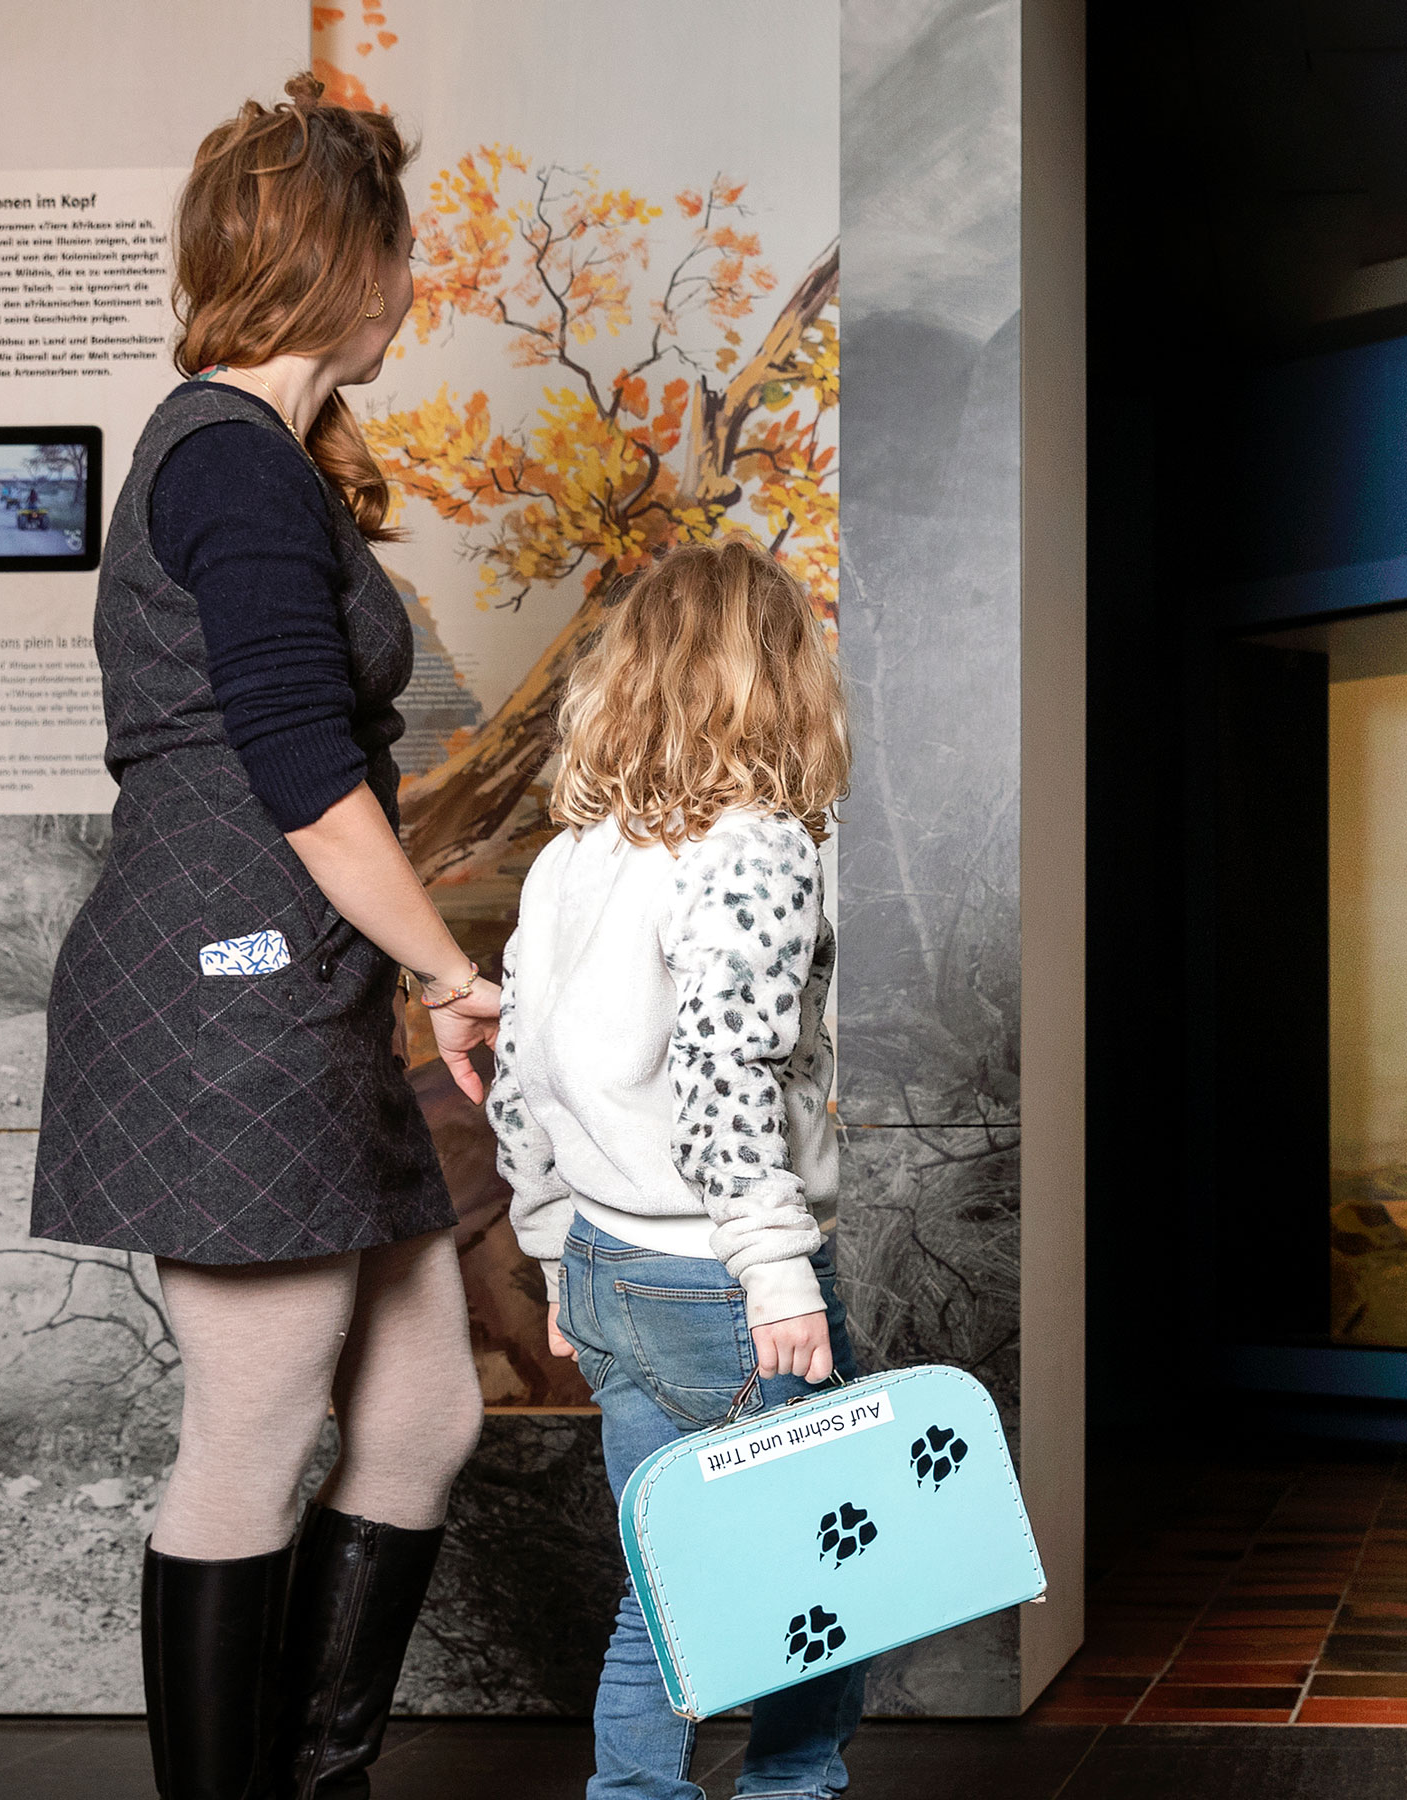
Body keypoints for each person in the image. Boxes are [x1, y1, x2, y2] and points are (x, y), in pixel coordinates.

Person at [29, 72, 496, 1800]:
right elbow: (305, 777)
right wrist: (452, 971)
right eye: (401, 252)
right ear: (341, 262)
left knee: (426, 1412)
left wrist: (405, 981)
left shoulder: (264, 461)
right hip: (226, 1009)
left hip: (292, 1004)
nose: (413, 289)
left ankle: (315, 1780)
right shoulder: (226, 461)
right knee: (250, 1430)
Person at [486, 538, 859, 1800]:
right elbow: (720, 1076)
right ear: (776, 676)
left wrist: (547, 1253)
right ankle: (787, 1795)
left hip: (605, 1267)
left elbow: (516, 1076)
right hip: (718, 1281)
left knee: (667, 1590)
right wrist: (776, 1272)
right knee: (815, 1580)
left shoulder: (568, 860)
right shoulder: (753, 845)